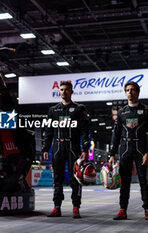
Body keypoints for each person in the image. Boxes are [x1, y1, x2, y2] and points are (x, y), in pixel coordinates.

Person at [109, 81, 148, 221]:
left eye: (133, 90)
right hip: (124, 151)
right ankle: (122, 210)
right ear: (125, 93)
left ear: (137, 92)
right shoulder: (122, 112)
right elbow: (115, 134)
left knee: (144, 181)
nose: (130, 92)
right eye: (128, 90)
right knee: (124, 182)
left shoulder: (147, 111)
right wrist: (112, 153)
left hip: (141, 150)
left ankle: (147, 210)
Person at [42, 81, 89, 219]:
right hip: (57, 149)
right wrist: (46, 148)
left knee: (76, 179)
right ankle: (57, 207)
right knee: (57, 179)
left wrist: (85, 149)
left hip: (73, 148)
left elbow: (84, 131)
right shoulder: (53, 110)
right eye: (61, 90)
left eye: (66, 90)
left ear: (71, 91)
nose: (63, 92)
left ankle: (76, 207)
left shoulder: (79, 109)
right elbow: (48, 131)